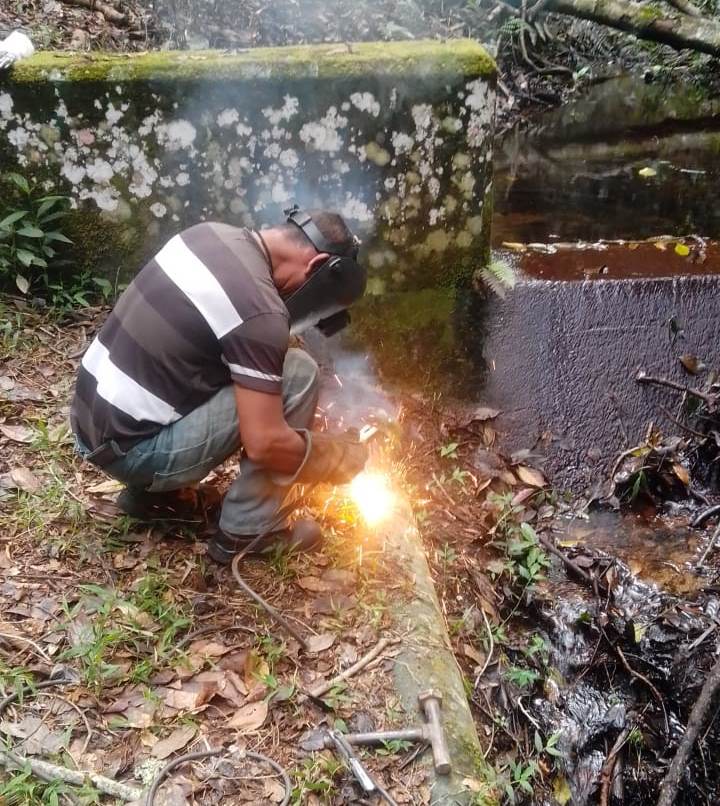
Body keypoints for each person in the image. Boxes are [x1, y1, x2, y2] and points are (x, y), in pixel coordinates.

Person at [70, 208, 369, 563]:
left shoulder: (209, 235)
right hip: (132, 449)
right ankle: (249, 529)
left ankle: (155, 497)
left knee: (256, 371)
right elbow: (265, 444)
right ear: (317, 265)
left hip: (93, 424)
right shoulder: (260, 313)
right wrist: (336, 457)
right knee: (298, 373)